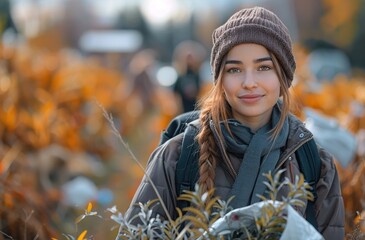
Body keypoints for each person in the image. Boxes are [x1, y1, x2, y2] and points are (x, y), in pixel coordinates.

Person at [119, 6, 344, 240]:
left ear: (283, 76)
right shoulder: (177, 156)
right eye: (235, 69)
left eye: (264, 67)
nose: (249, 82)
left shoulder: (314, 162)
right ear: (220, 80)